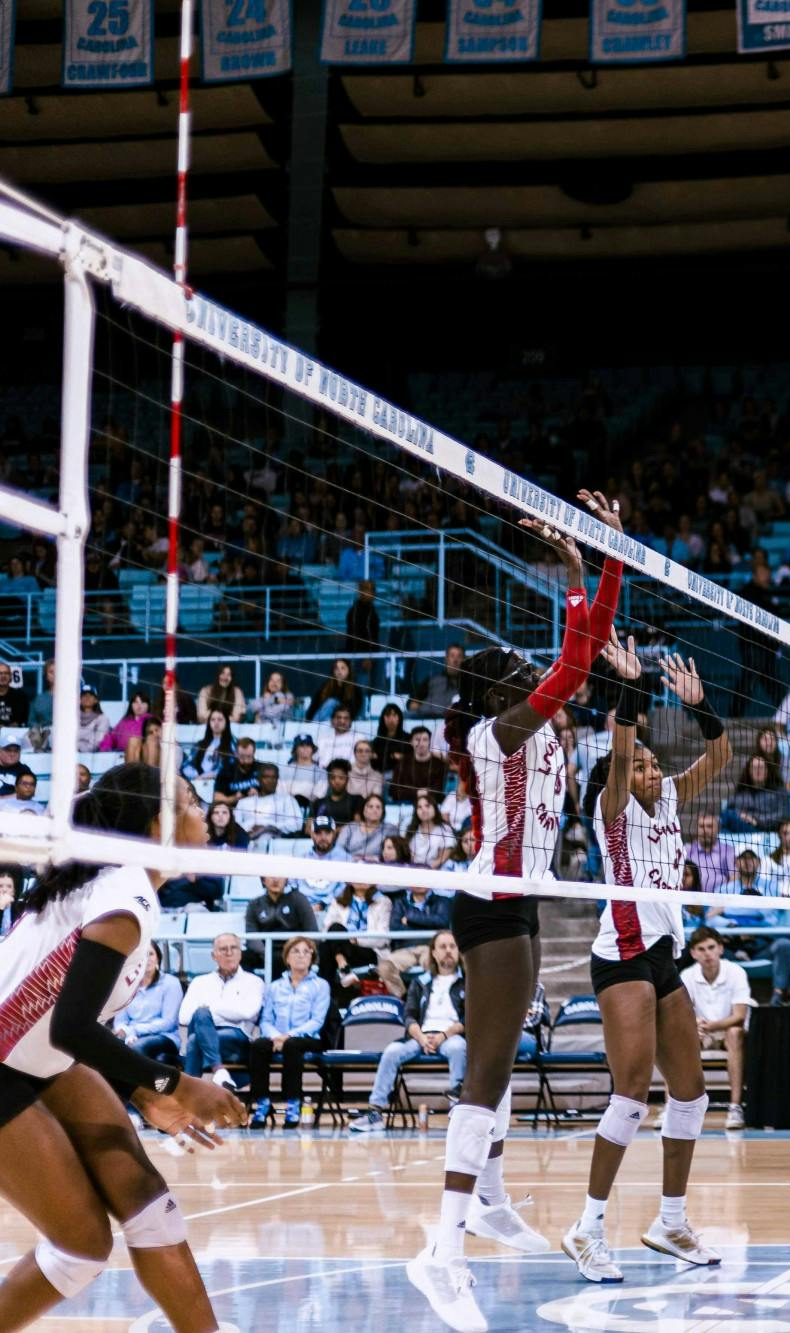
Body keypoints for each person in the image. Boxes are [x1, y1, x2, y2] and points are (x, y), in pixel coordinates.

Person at [411, 489, 623, 1331]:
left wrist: (610, 555)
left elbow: (588, 649)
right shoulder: (492, 735)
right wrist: (575, 572)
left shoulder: (546, 733)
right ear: (505, 689)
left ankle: (492, 1196)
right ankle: (443, 1251)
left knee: (498, 1056)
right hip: (490, 904)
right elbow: (574, 664)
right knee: (487, 1070)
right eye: (523, 674)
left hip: (522, 905)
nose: (544, 681)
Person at [0, 762, 245, 1329]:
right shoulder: (124, 896)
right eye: (188, 802)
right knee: (83, 1245)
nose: (201, 812)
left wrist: (141, 1090)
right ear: (157, 823)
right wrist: (177, 1083)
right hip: (9, 1064)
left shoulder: (120, 886)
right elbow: (72, 1028)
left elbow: (68, 1028)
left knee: (144, 1196)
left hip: (42, 1061)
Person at [563, 643, 731, 1283]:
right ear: (623, 775)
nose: (654, 770)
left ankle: (671, 1219)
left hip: (663, 958)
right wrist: (629, 693)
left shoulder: (665, 802)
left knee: (691, 1094)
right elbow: (625, 749)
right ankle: (586, 1228)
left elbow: (719, 756)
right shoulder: (616, 809)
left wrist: (702, 708)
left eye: (656, 764)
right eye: (642, 765)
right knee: (630, 1094)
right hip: (622, 957)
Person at [350, 931, 467, 1134]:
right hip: (420, 1035)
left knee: (459, 1048)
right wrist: (421, 1037)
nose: (448, 951)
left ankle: (458, 1113)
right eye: (443, 947)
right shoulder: (420, 982)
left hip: (450, 1036)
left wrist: (444, 1036)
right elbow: (409, 1015)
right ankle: (375, 1113)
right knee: (391, 1052)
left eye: (452, 946)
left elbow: (470, 1019)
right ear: (433, 952)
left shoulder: (468, 982)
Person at [243, 936, 331, 1130]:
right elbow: (265, 1020)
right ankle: (263, 1103)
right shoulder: (274, 987)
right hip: (276, 1036)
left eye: (306, 952)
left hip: (307, 1038)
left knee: (292, 1046)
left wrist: (288, 1036)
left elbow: (316, 1021)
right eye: (296, 951)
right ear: (287, 958)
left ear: (312, 957)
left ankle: (293, 1103)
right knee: (258, 1046)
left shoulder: (321, 985)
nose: (301, 956)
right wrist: (275, 1036)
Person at [680, 928, 750, 1130]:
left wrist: (712, 1025)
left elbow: (739, 1015)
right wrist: (695, 1025)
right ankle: (672, 1107)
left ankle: (735, 1107)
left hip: (728, 1029)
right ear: (693, 953)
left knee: (735, 1034)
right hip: (702, 1032)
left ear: (720, 949)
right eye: (701, 949)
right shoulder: (687, 975)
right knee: (678, 1036)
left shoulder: (736, 972)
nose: (707, 953)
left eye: (711, 948)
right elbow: (682, 1015)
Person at [178, 934, 264, 1085]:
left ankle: (189, 1099)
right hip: (206, 1033)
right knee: (200, 1016)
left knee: (194, 1037)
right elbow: (184, 1017)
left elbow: (247, 1012)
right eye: (223, 949)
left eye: (234, 948)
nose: (229, 953)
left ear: (240, 953)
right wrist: (228, 1011)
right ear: (213, 955)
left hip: (236, 1037)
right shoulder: (199, 982)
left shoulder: (254, 982)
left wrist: (210, 1009)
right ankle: (220, 1072)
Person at [113, 941, 184, 1067]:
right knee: (106, 1048)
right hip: (131, 1036)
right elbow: (120, 1020)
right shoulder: (126, 986)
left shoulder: (170, 983)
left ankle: (130, 1086)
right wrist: (123, 1030)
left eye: (150, 954)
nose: (146, 959)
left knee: (138, 1047)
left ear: (158, 958)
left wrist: (134, 1031)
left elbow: (168, 1022)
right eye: (142, 955)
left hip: (164, 1037)